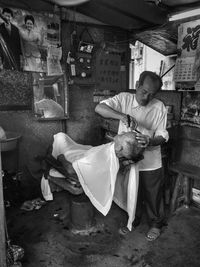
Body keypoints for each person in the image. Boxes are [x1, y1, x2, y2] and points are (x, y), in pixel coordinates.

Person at [95, 70, 169, 241]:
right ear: (137, 85)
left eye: (151, 94)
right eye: (144, 92)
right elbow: (99, 108)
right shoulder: (124, 99)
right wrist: (122, 116)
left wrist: (150, 141)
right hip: (129, 160)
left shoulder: (159, 107)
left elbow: (163, 135)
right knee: (131, 191)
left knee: (153, 194)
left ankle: (156, 224)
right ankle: (132, 221)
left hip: (151, 161)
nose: (146, 98)